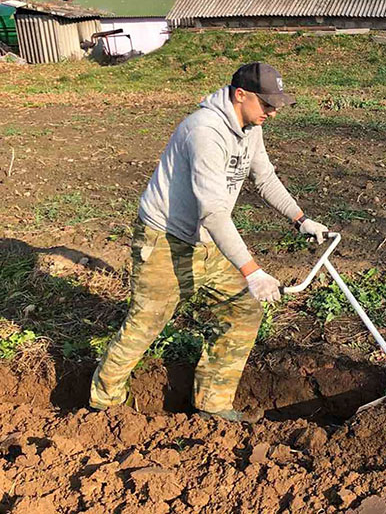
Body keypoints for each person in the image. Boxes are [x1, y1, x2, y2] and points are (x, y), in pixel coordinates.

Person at [89, 62, 327, 423]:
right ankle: (102, 407)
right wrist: (253, 272)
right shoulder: (205, 131)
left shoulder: (251, 127)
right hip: (165, 241)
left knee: (243, 310)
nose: (273, 111)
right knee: (146, 323)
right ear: (240, 95)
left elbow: (264, 179)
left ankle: (213, 404)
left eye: (276, 104)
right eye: (267, 103)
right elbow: (214, 214)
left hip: (208, 241)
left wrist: (301, 219)